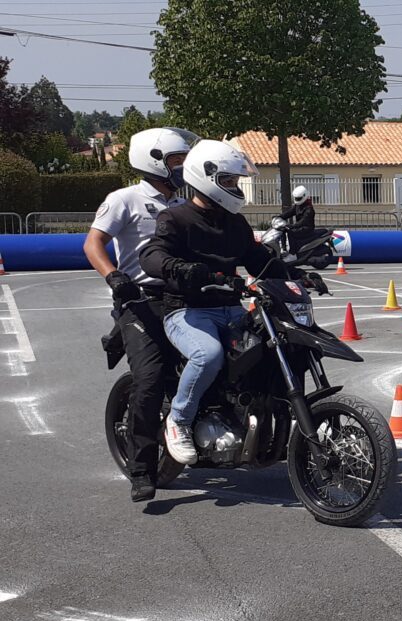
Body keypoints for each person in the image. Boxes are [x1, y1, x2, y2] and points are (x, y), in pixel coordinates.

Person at [139, 140, 290, 466]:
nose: (235, 187)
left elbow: (257, 258)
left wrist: (296, 276)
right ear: (205, 177)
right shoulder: (175, 218)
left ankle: (260, 418)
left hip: (232, 309)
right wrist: (181, 269)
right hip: (186, 311)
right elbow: (151, 255)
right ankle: (177, 421)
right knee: (208, 355)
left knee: (272, 346)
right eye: (228, 181)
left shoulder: (234, 222)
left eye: (236, 181)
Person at [85, 127, 195, 502]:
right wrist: (114, 277)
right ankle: (142, 468)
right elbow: (93, 242)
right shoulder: (125, 199)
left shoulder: (187, 204)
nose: (184, 168)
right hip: (140, 300)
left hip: (185, 298)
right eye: (178, 161)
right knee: (149, 379)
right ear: (154, 160)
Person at [280, 185, 317, 252]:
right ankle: (284, 249)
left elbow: (303, 221)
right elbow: (289, 213)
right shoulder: (297, 206)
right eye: (296, 198)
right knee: (282, 229)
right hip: (299, 227)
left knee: (290, 232)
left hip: (307, 228)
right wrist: (279, 217)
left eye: (299, 198)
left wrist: (292, 226)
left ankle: (293, 252)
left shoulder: (309, 208)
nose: (297, 200)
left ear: (304, 196)